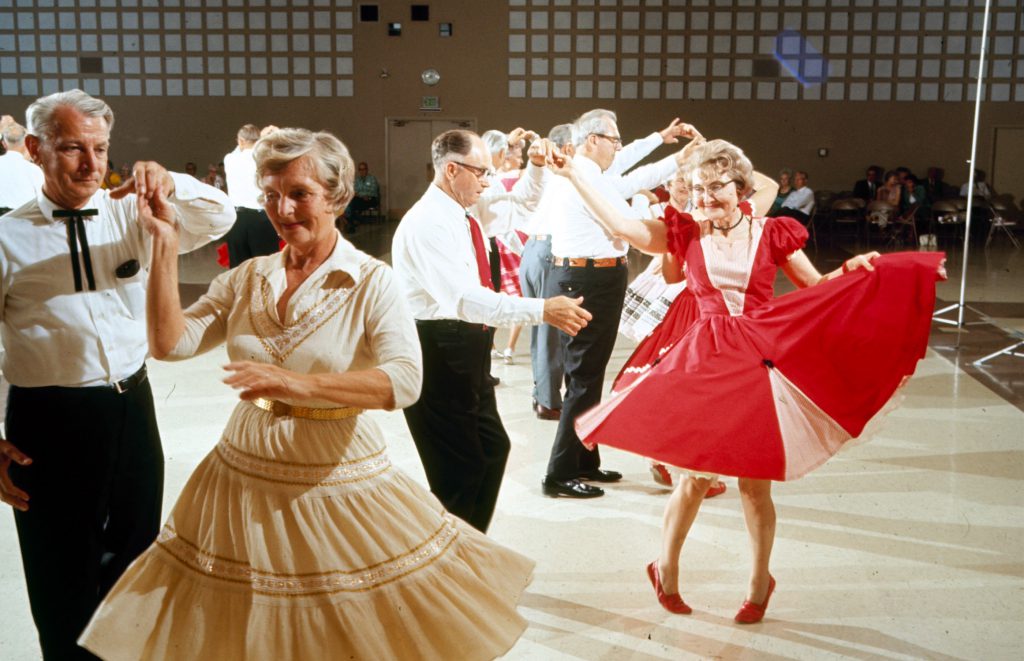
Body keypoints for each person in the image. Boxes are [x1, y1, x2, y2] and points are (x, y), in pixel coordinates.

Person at [79, 127, 536, 660]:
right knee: (254, 618)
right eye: (271, 195)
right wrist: (164, 244)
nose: (282, 209)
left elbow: (405, 380)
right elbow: (170, 344)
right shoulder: (248, 278)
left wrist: (299, 384)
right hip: (244, 466)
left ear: (338, 198)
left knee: (336, 621)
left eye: (300, 193)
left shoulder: (371, 281)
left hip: (335, 464)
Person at [549, 137, 944, 624]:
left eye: (716, 188)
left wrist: (853, 268)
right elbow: (621, 225)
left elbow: (816, 287)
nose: (706, 198)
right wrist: (573, 177)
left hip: (759, 362)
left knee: (755, 485)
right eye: (697, 190)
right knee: (694, 478)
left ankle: (760, 582)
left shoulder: (772, 232)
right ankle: (664, 567)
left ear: (740, 188)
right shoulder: (686, 232)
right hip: (705, 361)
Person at [0, 89, 234, 660]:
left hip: (132, 407)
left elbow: (221, 216)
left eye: (101, 149)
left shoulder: (131, 213)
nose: (91, 164)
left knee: (135, 557)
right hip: (48, 420)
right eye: (73, 148)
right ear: (34, 149)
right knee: (61, 573)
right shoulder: (5, 237)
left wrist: (171, 183)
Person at [392, 129, 591, 532]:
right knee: (459, 470)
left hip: (468, 346)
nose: (490, 181)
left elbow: (524, 206)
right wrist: (542, 309)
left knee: (492, 450)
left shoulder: (465, 211)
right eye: (483, 172)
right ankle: (450, 564)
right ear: (451, 170)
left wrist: (535, 167)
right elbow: (463, 301)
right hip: (439, 349)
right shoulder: (428, 223)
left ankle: (468, 549)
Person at [540, 109, 697, 500]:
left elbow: (629, 172)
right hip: (587, 279)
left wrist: (669, 149)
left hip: (596, 276)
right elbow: (624, 214)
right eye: (615, 140)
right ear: (593, 140)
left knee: (589, 374)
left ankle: (584, 459)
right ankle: (559, 473)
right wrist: (660, 187)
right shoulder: (580, 176)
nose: (619, 147)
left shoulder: (592, 173)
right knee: (583, 376)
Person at [222, 123, 281, 267]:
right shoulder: (265, 160)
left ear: (240, 141)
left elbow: (241, 150)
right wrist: (262, 138)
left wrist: (258, 138)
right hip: (262, 219)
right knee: (266, 266)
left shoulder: (229, 159)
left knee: (238, 268)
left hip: (237, 220)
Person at [0, 121, 44, 214]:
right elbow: (42, 201)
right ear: (26, 143)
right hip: (23, 219)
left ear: (4, 143)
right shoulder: (33, 170)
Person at [344, 160, 380, 231]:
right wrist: (362, 195)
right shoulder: (357, 180)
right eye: (360, 169)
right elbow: (354, 191)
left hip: (371, 199)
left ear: (367, 170)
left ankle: (354, 221)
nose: (362, 171)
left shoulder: (372, 179)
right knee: (350, 203)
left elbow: (373, 190)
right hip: (360, 199)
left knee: (352, 205)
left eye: (364, 169)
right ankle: (353, 223)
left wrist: (363, 194)